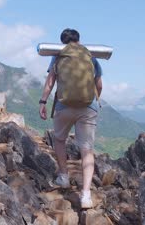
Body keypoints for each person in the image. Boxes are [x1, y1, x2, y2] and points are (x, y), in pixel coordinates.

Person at [39, 28, 102, 209]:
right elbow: (99, 84)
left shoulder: (58, 55)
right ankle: (86, 195)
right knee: (87, 150)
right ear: (78, 40)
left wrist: (42, 102)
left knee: (59, 139)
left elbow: (50, 81)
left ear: (63, 42)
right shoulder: (90, 55)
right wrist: (92, 100)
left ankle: (64, 177)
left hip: (63, 106)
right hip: (88, 108)